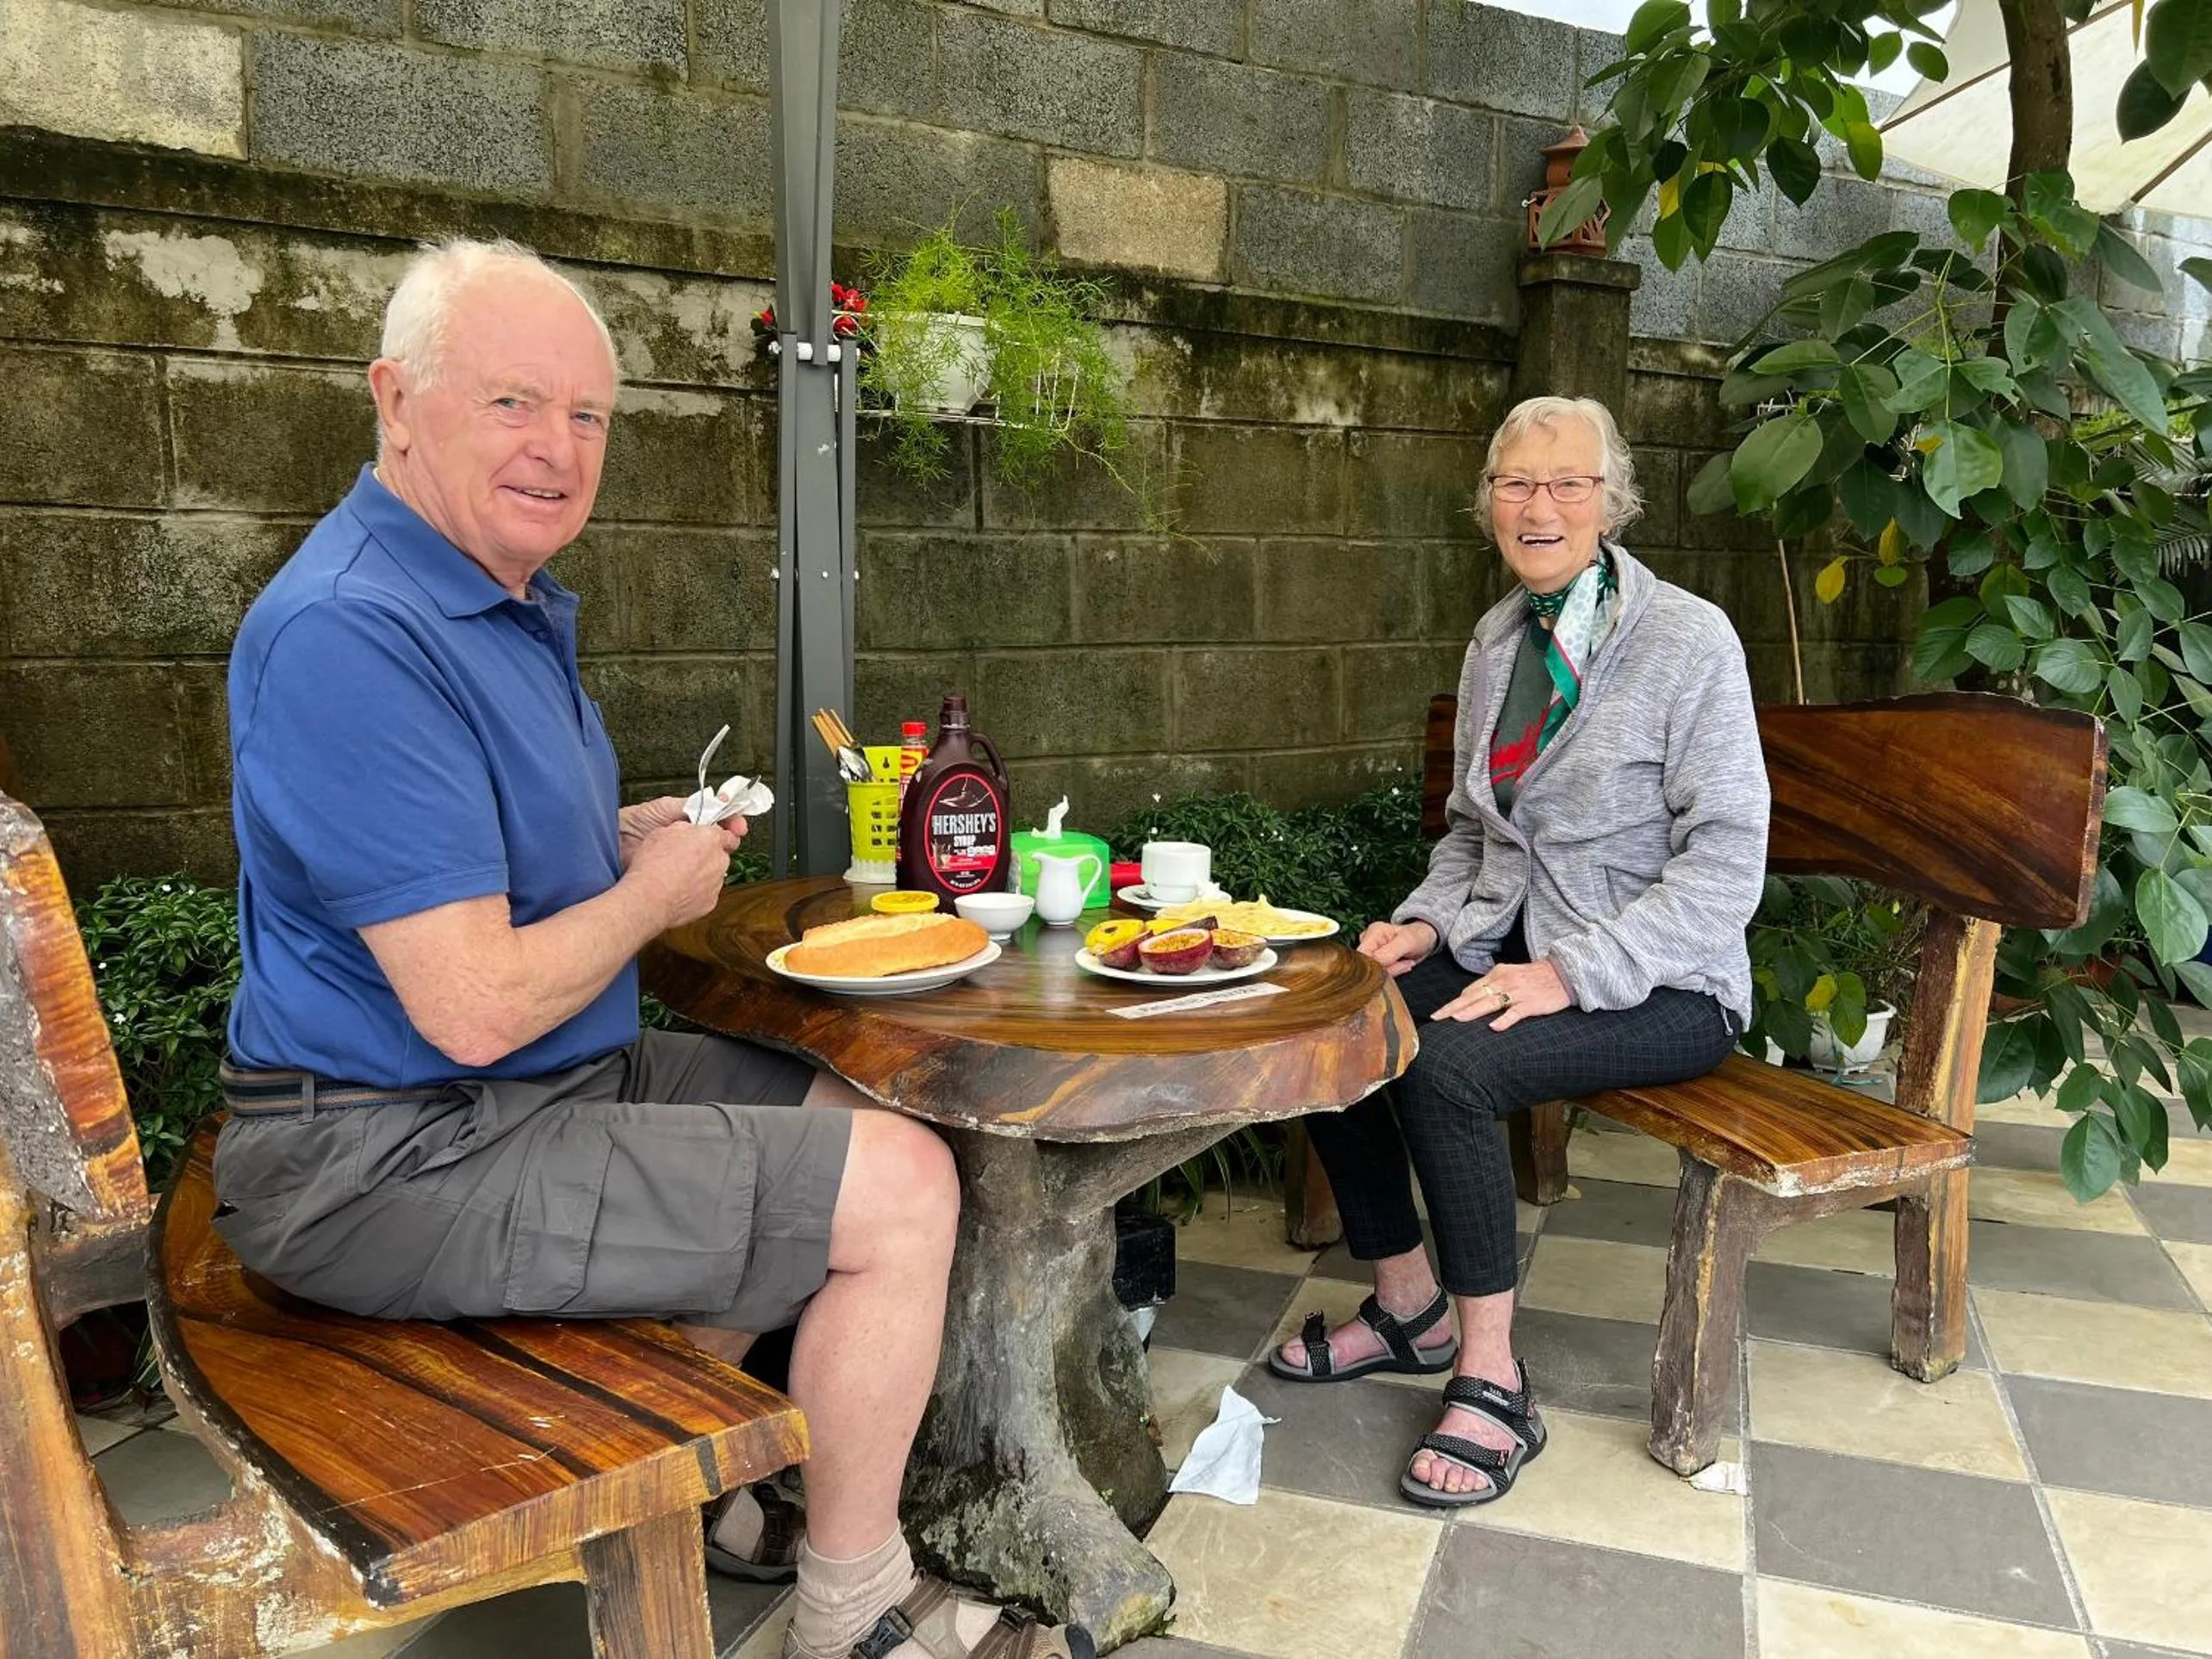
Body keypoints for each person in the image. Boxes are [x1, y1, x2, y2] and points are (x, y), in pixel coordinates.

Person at [215, 237, 1090, 1659]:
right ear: (394, 399)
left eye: (587, 416)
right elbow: (476, 1003)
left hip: (524, 1092)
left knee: (863, 1109)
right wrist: (652, 899)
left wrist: (609, 846)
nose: (559, 449)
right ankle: (851, 1607)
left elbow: (464, 873)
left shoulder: (488, 594)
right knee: (902, 1191)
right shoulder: (353, 635)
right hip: (390, 1152)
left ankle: (702, 1486)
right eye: (513, 403)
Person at [1268, 395, 1769, 1508]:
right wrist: (1428, 925)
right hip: (1520, 949)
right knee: (1334, 1014)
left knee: (1449, 1066)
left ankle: (1493, 1377)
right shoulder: (1499, 641)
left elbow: (1728, 864)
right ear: (1487, 501)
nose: (1538, 505)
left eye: (1567, 483)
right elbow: (1470, 831)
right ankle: (1407, 1302)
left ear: (1611, 500)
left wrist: (1568, 975)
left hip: (1665, 983)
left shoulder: (1689, 641)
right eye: (1515, 483)